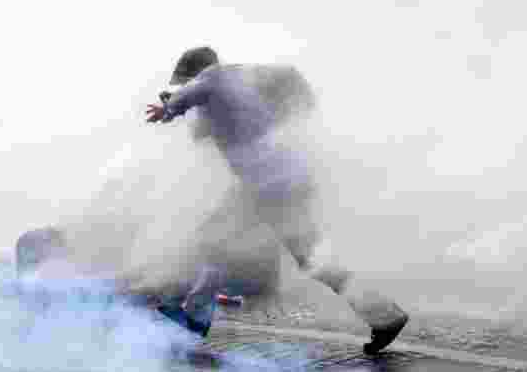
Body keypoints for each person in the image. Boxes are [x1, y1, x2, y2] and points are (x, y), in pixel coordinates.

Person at [147, 47, 408, 354]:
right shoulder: (237, 87)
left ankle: (195, 317)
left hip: (268, 185)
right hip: (277, 180)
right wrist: (176, 108)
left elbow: (198, 89)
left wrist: (171, 107)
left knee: (225, 240)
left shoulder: (215, 77)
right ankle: (385, 315)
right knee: (293, 255)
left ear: (197, 72)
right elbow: (203, 130)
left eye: (187, 79)